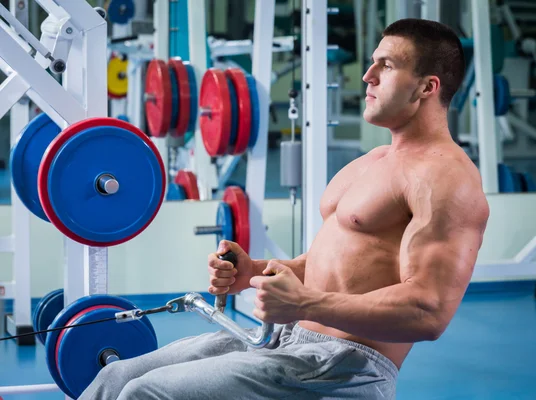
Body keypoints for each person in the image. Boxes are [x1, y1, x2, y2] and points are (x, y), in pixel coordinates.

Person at [81, 18, 489, 400]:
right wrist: (254, 272)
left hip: (344, 366)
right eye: (371, 64)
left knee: (146, 394)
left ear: (427, 87)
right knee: (114, 378)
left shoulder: (446, 179)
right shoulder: (376, 160)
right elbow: (341, 266)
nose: (368, 76)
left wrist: (304, 304)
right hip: (285, 338)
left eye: (386, 65)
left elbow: (427, 310)